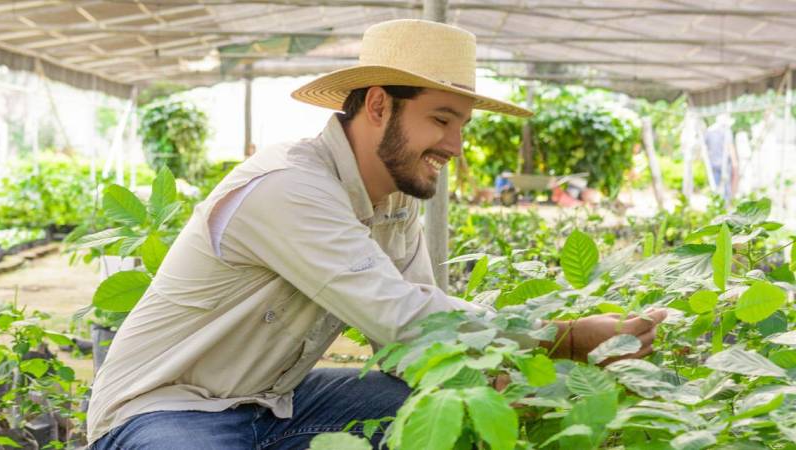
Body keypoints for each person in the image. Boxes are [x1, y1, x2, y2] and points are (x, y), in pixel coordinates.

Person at [87, 19, 666, 449]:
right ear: (380, 105)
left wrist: (528, 385)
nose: (455, 146)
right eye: (441, 120)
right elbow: (406, 318)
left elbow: (419, 345)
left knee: (442, 410)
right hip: (165, 410)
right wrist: (563, 338)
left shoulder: (392, 203)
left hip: (275, 404)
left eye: (461, 125)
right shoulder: (290, 186)